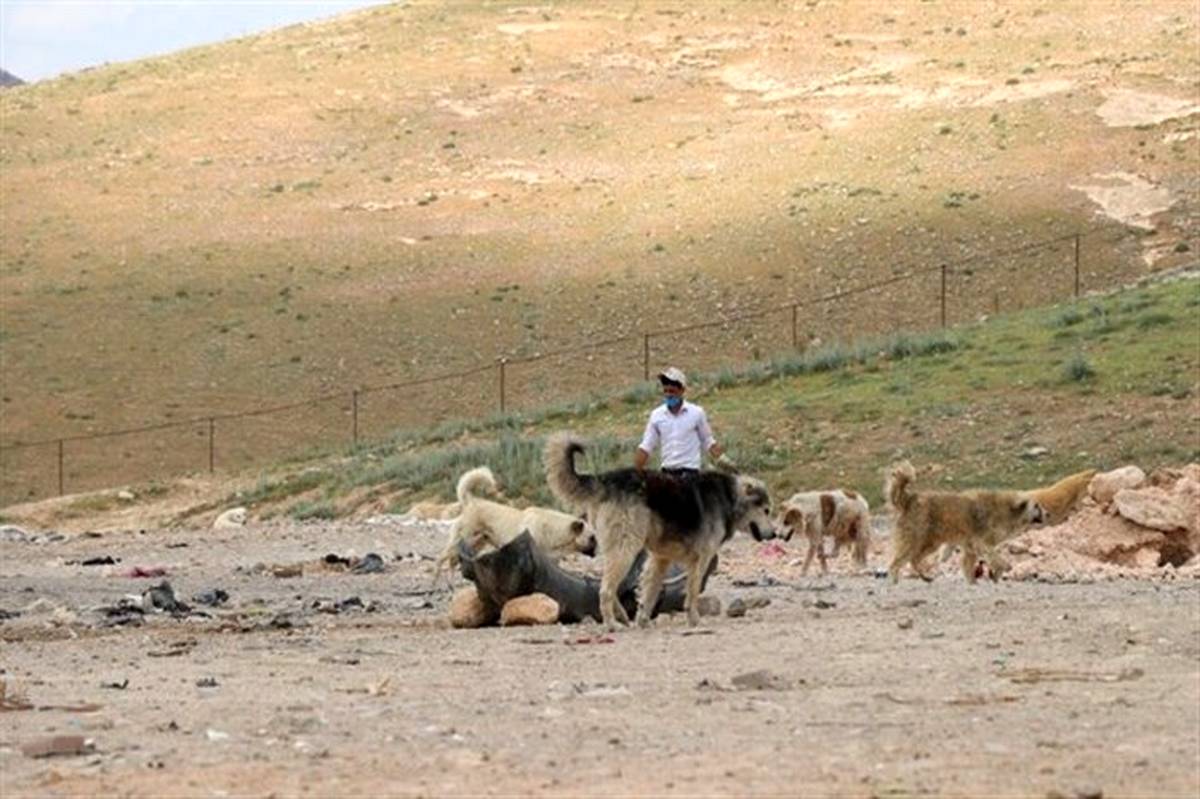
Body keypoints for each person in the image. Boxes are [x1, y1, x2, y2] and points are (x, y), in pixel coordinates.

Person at [634, 367, 736, 475]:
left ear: (682, 390)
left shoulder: (696, 413)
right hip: (667, 474)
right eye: (666, 391)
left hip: (690, 474)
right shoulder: (657, 416)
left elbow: (707, 441)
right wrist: (635, 472)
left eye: (672, 391)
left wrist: (725, 461)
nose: (668, 395)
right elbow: (646, 446)